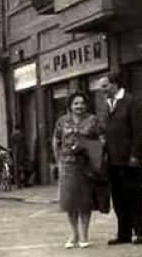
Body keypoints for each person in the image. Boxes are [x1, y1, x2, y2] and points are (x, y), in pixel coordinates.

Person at [97, 74, 142, 245]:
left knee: (134, 196)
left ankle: (141, 232)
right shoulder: (107, 105)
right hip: (112, 160)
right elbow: (103, 129)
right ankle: (123, 233)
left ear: (114, 85)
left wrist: (135, 155)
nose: (101, 90)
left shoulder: (130, 101)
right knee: (118, 198)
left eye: (104, 86)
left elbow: (139, 131)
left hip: (129, 160)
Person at [53, 92, 103, 249]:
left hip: (86, 165)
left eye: (82, 103)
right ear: (70, 105)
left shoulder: (93, 120)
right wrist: (58, 162)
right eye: (76, 103)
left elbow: (101, 140)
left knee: (85, 201)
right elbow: (56, 141)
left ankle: (85, 235)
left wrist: (94, 153)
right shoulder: (62, 121)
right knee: (70, 201)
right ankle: (74, 234)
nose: (79, 106)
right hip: (67, 165)